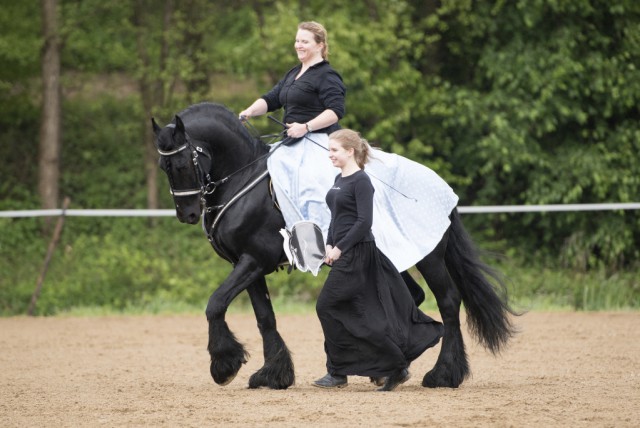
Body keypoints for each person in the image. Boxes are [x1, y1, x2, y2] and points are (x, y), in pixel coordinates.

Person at [239, 21, 459, 276]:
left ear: (320, 45)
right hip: (291, 144)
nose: (298, 45)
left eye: (305, 41)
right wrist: (249, 111)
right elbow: (271, 99)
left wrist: (306, 127)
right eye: (297, 40)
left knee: (314, 184)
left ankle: (322, 244)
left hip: (319, 139)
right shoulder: (293, 73)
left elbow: (335, 111)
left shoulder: (327, 75)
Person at [313, 129, 444, 391]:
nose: (330, 155)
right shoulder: (339, 179)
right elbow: (336, 218)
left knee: (327, 306)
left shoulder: (361, 181)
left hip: (358, 253)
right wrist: (328, 243)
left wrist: (340, 247)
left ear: (350, 151)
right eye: (329, 150)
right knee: (360, 313)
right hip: (343, 253)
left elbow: (364, 222)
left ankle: (347, 371)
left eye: (334, 150)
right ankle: (354, 370)